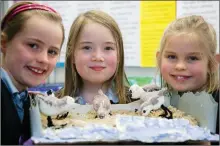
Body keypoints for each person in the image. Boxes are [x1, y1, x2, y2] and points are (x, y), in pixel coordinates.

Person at [1, 1, 65, 145]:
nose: (43, 59)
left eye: (52, 52)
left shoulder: (22, 97)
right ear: (4, 43)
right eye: (33, 45)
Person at [156, 15, 219, 135]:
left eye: (192, 58)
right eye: (171, 57)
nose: (180, 66)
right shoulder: (156, 102)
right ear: (159, 59)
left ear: (212, 64)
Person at [56, 10, 131, 104]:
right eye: (87, 47)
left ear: (119, 55)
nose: (98, 57)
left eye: (108, 48)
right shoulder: (54, 103)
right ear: (72, 55)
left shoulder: (138, 102)